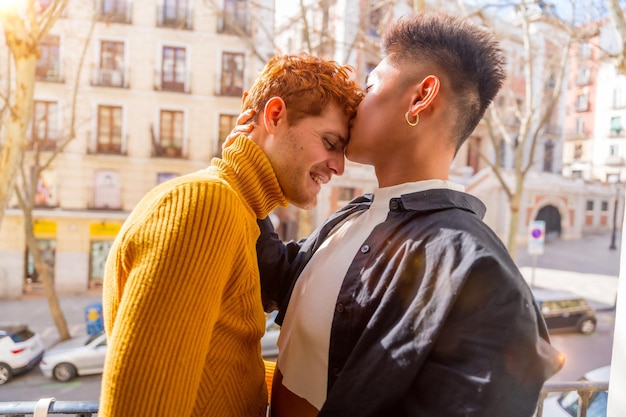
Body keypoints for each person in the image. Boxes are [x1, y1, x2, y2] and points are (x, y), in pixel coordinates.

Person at [234, 12, 563, 417]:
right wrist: (249, 160)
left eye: (370, 86)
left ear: (421, 97)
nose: (355, 101)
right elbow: (277, 277)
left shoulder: (476, 270)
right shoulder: (353, 218)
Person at [98, 53, 363, 417]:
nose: (339, 166)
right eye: (331, 142)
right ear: (274, 116)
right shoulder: (207, 204)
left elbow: (218, 372)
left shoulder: (235, 210)